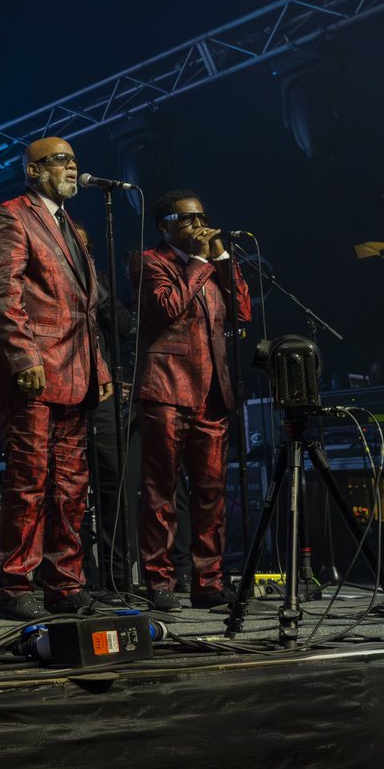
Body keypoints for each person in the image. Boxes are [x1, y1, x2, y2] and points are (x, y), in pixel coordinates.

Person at [0, 136, 112, 621]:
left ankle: (65, 584)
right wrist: (22, 358)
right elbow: (2, 294)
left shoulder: (72, 227)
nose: (72, 168)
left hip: (77, 372)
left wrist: (102, 368)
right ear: (32, 171)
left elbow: (86, 309)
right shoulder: (9, 216)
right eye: (60, 161)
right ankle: (15, 584)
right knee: (29, 482)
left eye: (75, 160)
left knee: (72, 486)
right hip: (32, 373)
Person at [133, 190, 251, 611]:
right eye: (188, 219)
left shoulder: (211, 267)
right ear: (165, 225)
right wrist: (200, 263)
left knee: (211, 494)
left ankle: (209, 583)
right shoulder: (150, 261)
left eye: (202, 216)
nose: (200, 225)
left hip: (213, 394)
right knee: (161, 492)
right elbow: (167, 307)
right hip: (167, 389)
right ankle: (161, 582)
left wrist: (220, 258)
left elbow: (242, 312)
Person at [70, 218, 138, 594]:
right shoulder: (46, 283)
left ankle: (117, 575)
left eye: (88, 249)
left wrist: (98, 283)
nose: (82, 255)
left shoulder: (99, 284)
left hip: (104, 396)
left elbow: (126, 326)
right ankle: (77, 573)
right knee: (69, 487)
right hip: (63, 392)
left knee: (116, 483)